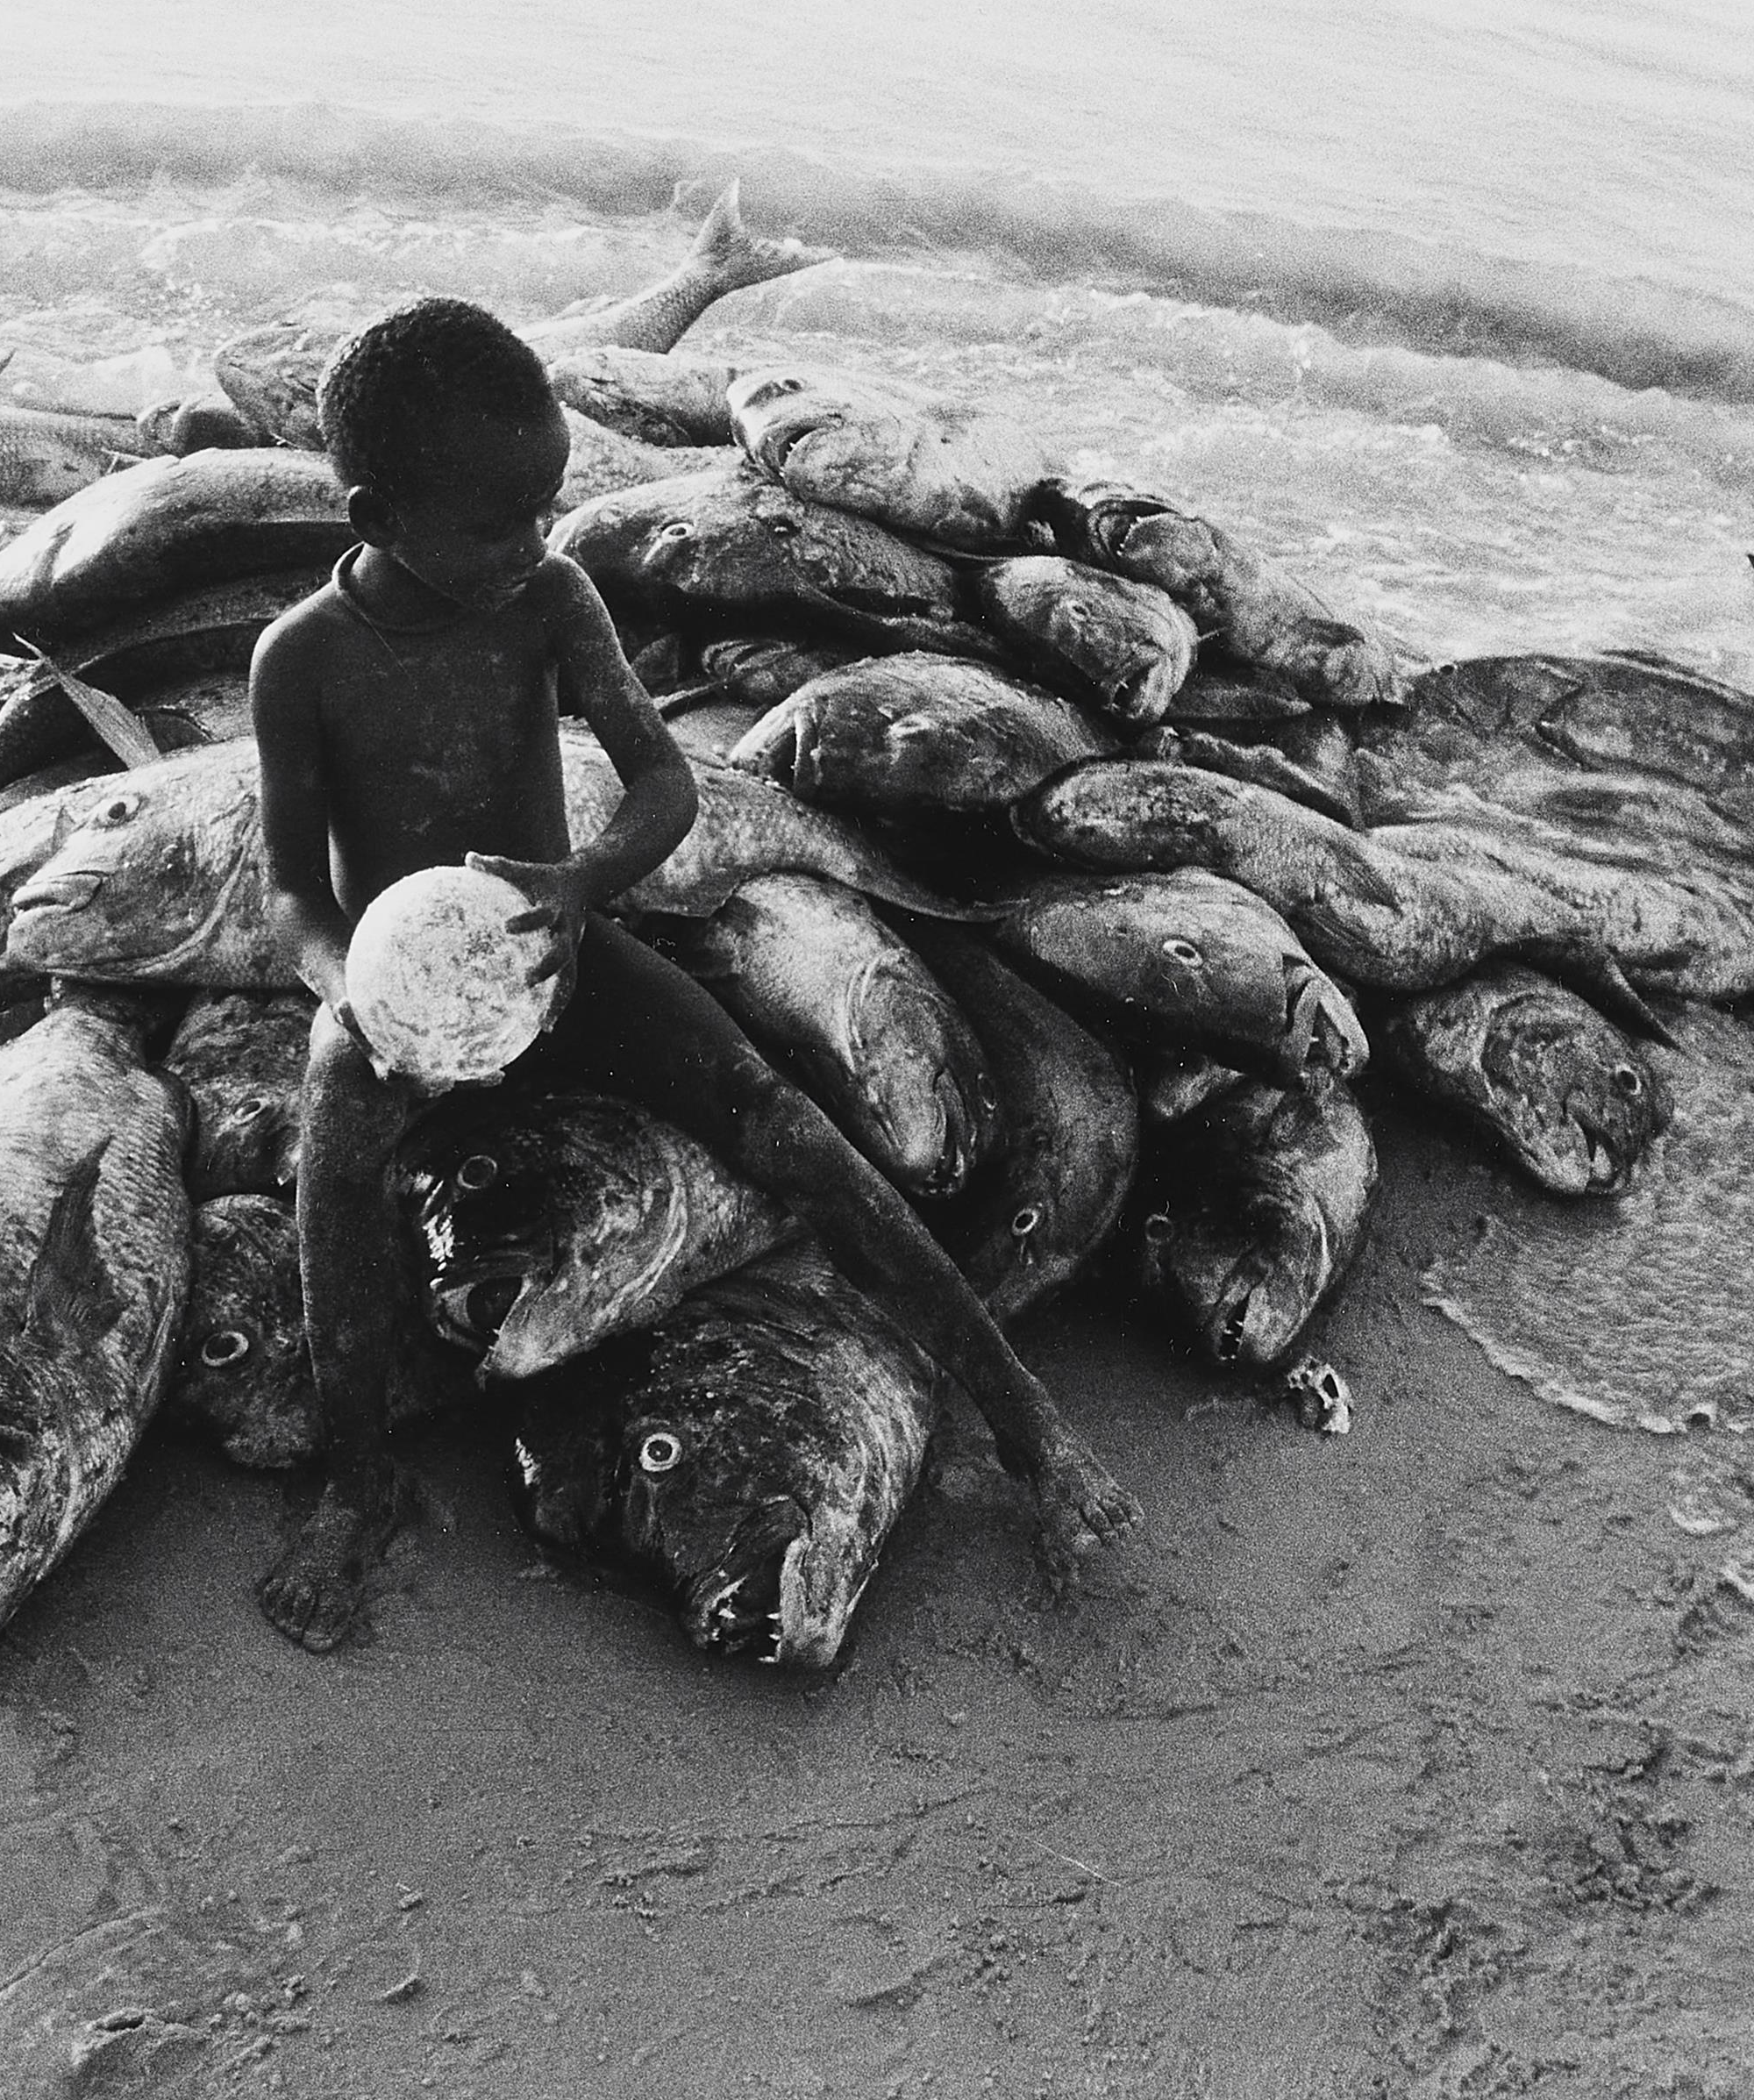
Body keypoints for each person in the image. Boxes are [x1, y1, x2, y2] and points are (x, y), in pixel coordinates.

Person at [246, 296, 1139, 1651]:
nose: (539, 539)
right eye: (504, 520)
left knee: (786, 1120)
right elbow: (292, 893)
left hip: (565, 953)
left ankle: (1026, 1424)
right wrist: (349, 994)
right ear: (378, 519)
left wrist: (582, 886)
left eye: (549, 505)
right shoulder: (301, 661)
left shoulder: (545, 599)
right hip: (407, 996)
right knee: (334, 1156)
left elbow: (661, 784)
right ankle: (357, 1485)